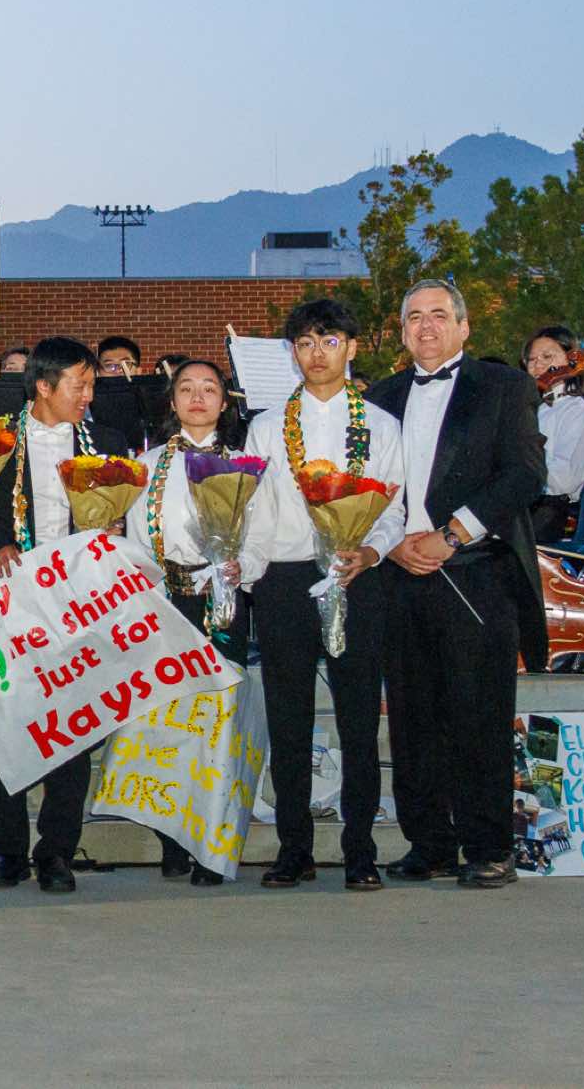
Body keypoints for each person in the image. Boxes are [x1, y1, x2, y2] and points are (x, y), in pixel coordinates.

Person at [367, 280, 546, 890]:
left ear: (465, 326)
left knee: (479, 716)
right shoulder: (382, 396)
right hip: (399, 570)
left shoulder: (505, 386)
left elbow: (524, 474)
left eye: (439, 315)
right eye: (414, 317)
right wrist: (391, 541)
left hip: (476, 571)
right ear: (402, 331)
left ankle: (490, 848)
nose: (426, 326)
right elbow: (366, 483)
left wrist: (452, 535)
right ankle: (430, 844)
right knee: (412, 716)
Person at [237, 299, 405, 892]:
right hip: (284, 581)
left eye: (329, 342)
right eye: (306, 343)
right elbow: (256, 514)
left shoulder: (382, 425)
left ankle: (360, 851)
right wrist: (245, 572)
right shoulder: (266, 426)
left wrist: (371, 552)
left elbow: (394, 508)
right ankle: (294, 850)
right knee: (288, 721)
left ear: (351, 348)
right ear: (292, 353)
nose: (317, 354)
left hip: (356, 576)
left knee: (359, 721)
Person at [0, 337, 134, 894]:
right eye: (79, 385)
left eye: (91, 385)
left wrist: (114, 529)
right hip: (10, 599)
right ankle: (8, 850)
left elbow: (119, 522)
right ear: (43, 387)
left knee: (73, 722)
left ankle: (57, 851)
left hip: (78, 603)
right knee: (5, 722)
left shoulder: (107, 444)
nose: (88, 395)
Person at [126, 360, 249, 886]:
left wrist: (240, 567)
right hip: (163, 602)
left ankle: (210, 844)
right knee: (168, 723)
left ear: (224, 401)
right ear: (172, 401)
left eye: (209, 389)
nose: (198, 398)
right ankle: (172, 839)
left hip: (222, 601)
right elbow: (132, 541)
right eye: (186, 389)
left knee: (217, 724)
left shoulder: (245, 464)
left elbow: (260, 534)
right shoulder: (145, 465)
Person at [521, 326, 584, 540]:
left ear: (571, 361)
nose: (538, 365)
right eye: (531, 360)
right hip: (522, 503)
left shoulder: (581, 415)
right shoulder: (533, 410)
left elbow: (564, 481)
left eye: (547, 356)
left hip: (552, 510)